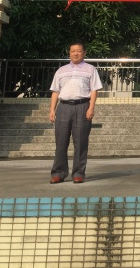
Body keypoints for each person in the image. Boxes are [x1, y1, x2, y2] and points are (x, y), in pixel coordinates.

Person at [49, 42, 102, 184]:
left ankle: (78, 173)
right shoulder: (61, 70)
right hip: (63, 107)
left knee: (81, 142)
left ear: (84, 53)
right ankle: (58, 173)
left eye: (79, 51)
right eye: (73, 51)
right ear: (69, 53)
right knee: (61, 142)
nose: (75, 53)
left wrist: (91, 108)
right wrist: (52, 109)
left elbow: (94, 90)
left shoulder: (90, 69)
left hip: (82, 106)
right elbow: (55, 91)